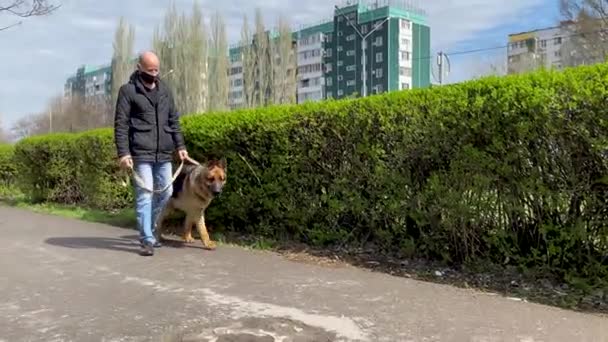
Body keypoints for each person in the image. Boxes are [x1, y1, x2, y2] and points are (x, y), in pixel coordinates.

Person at [114, 51, 188, 256]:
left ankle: (152, 227)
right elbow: (121, 125)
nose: (154, 74)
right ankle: (147, 238)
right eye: (149, 70)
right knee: (145, 195)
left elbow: (173, 120)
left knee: (166, 193)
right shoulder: (128, 91)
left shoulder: (165, 90)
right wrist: (123, 153)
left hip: (164, 152)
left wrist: (180, 146)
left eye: (156, 70)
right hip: (140, 152)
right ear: (139, 68)